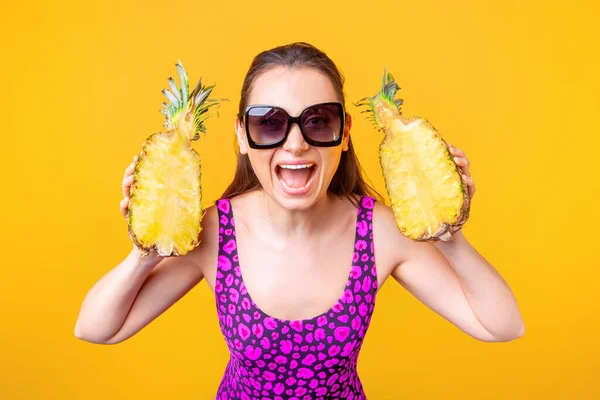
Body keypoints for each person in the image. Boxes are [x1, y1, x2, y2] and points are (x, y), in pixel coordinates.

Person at [74, 42, 525, 399]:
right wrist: (143, 252)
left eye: (318, 121)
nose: (295, 145)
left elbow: (502, 326)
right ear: (242, 136)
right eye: (269, 123)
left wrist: (449, 234)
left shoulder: (379, 231)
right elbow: (97, 329)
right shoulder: (214, 231)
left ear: (344, 134)